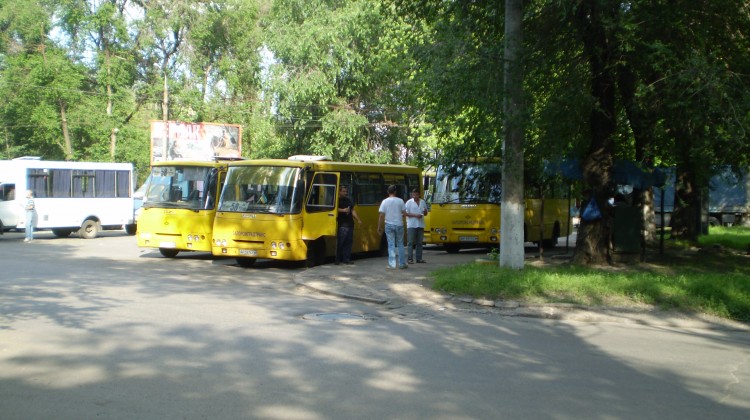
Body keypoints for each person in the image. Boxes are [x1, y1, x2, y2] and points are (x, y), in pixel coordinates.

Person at [377, 185, 408, 269]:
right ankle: (402, 263)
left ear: (388, 192)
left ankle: (392, 264)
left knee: (391, 245)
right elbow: (405, 214)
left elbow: (381, 215)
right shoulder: (400, 201)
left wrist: (379, 227)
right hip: (399, 224)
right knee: (400, 244)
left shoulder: (384, 201)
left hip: (389, 225)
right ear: (395, 192)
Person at [335, 185, 361, 265]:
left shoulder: (348, 200)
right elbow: (334, 209)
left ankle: (346, 259)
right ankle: (337, 259)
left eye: (346, 191)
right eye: (343, 191)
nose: (345, 193)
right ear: (339, 192)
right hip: (342, 225)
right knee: (340, 243)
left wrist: (358, 219)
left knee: (348, 243)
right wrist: (343, 210)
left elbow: (352, 210)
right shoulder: (336, 200)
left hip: (350, 224)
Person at [405, 188, 428, 264]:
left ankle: (419, 258)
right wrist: (415, 215)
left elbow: (425, 213)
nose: (415, 196)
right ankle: (410, 258)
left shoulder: (422, 202)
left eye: (416, 194)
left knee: (420, 243)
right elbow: (405, 213)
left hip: (420, 224)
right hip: (411, 225)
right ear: (412, 195)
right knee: (410, 242)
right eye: (413, 194)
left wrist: (425, 212)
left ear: (419, 194)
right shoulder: (409, 202)